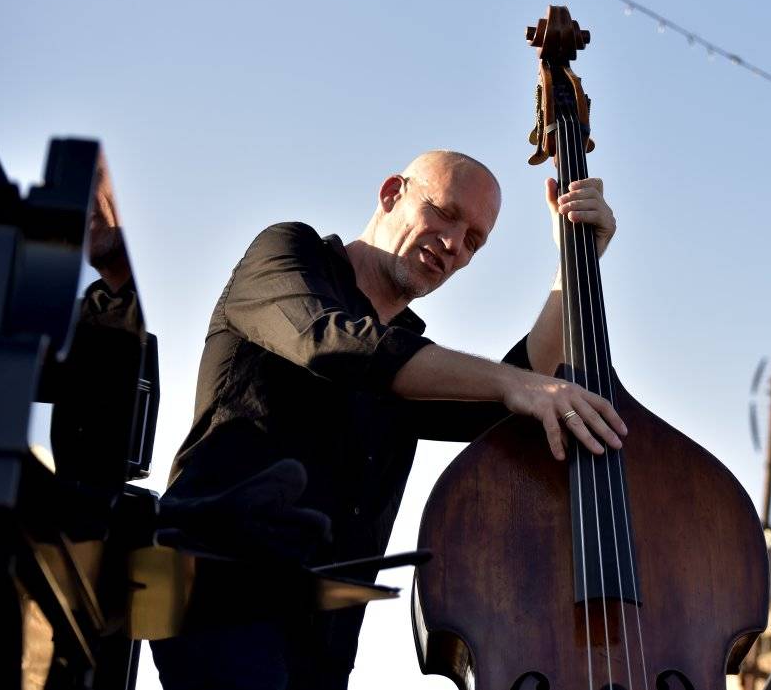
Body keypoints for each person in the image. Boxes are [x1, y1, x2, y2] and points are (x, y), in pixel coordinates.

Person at [152, 149, 625, 690]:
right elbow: (329, 343)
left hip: (323, 639)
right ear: (390, 193)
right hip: (217, 589)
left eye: (473, 240)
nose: (454, 244)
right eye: (444, 212)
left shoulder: (412, 362)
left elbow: (502, 402)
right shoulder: (286, 251)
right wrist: (516, 385)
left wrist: (578, 262)